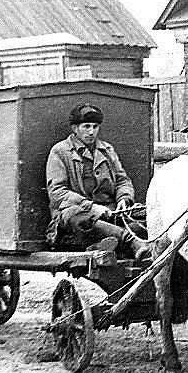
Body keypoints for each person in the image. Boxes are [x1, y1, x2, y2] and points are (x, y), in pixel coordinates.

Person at [45, 103, 152, 261]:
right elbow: (57, 193)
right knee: (76, 218)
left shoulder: (107, 150)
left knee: (144, 219)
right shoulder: (60, 152)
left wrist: (123, 199)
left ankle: (102, 245)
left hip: (110, 213)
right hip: (77, 215)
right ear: (75, 128)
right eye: (86, 126)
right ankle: (130, 241)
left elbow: (122, 180)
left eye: (95, 127)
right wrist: (92, 208)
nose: (91, 132)